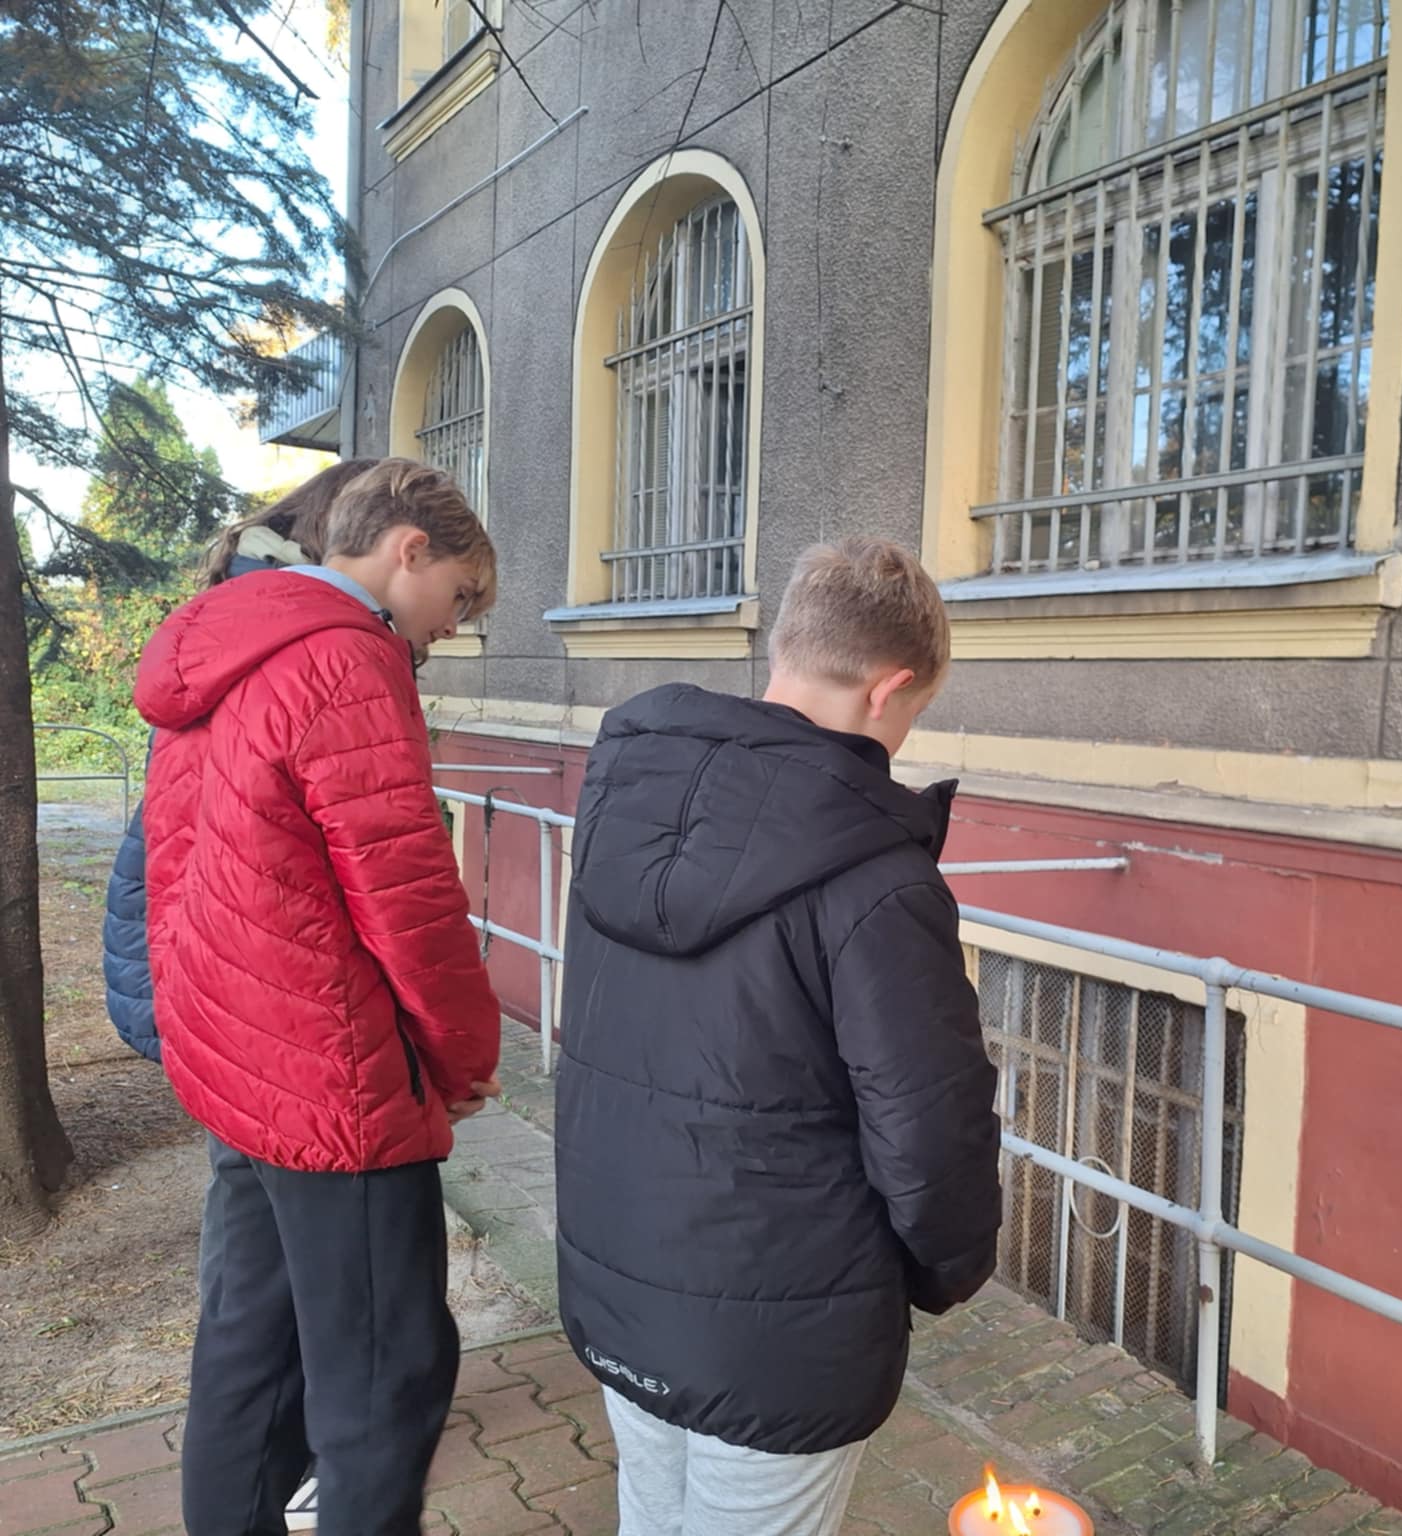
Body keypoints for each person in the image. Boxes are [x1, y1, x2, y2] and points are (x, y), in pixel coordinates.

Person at [555, 537, 1003, 1536]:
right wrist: (947, 1271)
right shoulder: (877, 877)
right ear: (890, 688)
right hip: (782, 1333)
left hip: (622, 1282)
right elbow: (930, 1132)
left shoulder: (626, 806)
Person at [134, 458, 504, 1536]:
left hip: (237, 1059)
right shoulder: (348, 657)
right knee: (386, 1377)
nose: (453, 626)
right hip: (333, 1080)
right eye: (460, 595)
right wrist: (462, 1057)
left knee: (248, 1347)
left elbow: (169, 859)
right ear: (408, 549)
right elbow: (409, 896)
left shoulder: (224, 639)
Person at [101, 457, 377, 1533]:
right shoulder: (304, 644)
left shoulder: (228, 628)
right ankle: (304, 1467)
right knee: (304, 1290)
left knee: (250, 1281)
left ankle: (258, 1481)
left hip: (217, 1004)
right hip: (269, 1017)